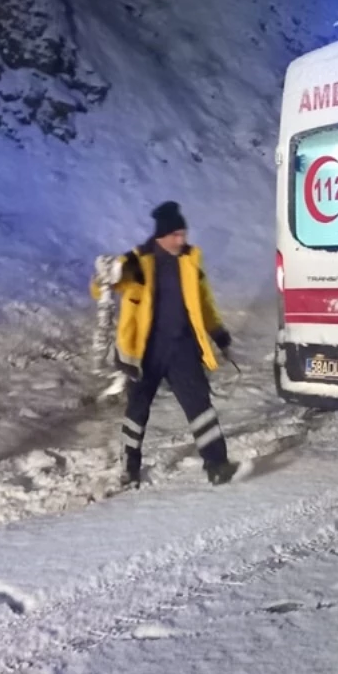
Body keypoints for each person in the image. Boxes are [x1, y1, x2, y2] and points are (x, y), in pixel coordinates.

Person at [92, 202, 239, 487]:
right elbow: (101, 289)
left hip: (182, 348)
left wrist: (219, 334)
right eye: (176, 235)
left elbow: (204, 303)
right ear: (161, 235)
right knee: (137, 411)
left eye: (183, 234)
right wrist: (102, 277)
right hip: (143, 352)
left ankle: (217, 465)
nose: (181, 240)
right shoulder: (137, 262)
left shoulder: (190, 261)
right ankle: (130, 468)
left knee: (200, 406)